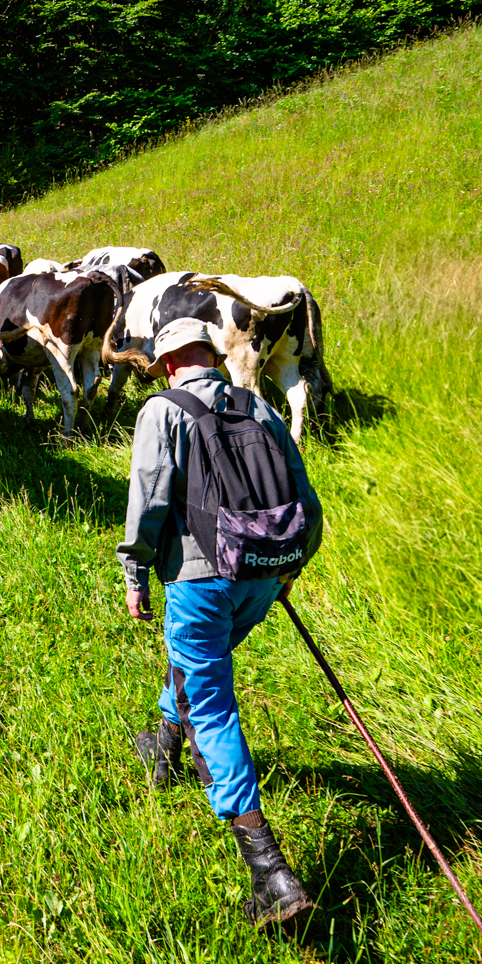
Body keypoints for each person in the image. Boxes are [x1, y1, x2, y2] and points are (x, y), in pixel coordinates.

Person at [117, 317, 323, 926]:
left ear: (168, 362)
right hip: (265, 570)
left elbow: (150, 498)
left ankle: (269, 870)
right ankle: (162, 745)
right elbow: (306, 499)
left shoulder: (163, 410)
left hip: (202, 576)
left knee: (209, 700)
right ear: (210, 352)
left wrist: (134, 572)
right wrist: (289, 566)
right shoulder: (258, 406)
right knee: (195, 669)